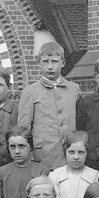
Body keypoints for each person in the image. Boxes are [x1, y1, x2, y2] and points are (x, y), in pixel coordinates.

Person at [17, 41, 80, 170]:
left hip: (71, 155)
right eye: (45, 62)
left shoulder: (74, 89)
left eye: (54, 61)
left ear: (63, 62)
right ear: (39, 63)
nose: (50, 67)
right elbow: (23, 129)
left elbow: (80, 122)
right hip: (43, 157)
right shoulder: (30, 92)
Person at [0, 126, 48, 198]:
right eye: (12, 147)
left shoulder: (42, 171)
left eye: (21, 146)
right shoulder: (0, 173)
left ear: (30, 147)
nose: (17, 151)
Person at [49, 130, 99, 198]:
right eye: (71, 152)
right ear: (65, 152)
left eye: (81, 152)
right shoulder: (55, 175)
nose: (76, 157)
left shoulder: (94, 175)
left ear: (87, 153)